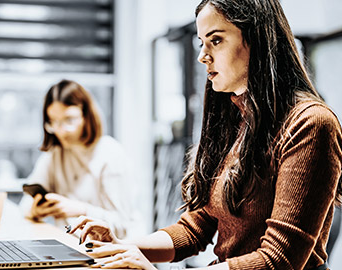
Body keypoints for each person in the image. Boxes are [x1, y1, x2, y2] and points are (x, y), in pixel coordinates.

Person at [68, 0, 342, 269]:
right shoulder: (236, 119)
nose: (202, 55)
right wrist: (126, 247)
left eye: (216, 40)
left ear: (257, 38)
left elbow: (279, 259)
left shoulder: (311, 123)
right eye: (202, 42)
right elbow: (197, 225)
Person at [21, 79, 137, 238]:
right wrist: (36, 210)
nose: (61, 131)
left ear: (86, 116)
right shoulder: (56, 154)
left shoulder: (110, 153)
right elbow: (24, 204)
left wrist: (81, 210)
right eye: (53, 122)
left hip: (108, 252)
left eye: (69, 120)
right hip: (69, 246)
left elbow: (122, 226)